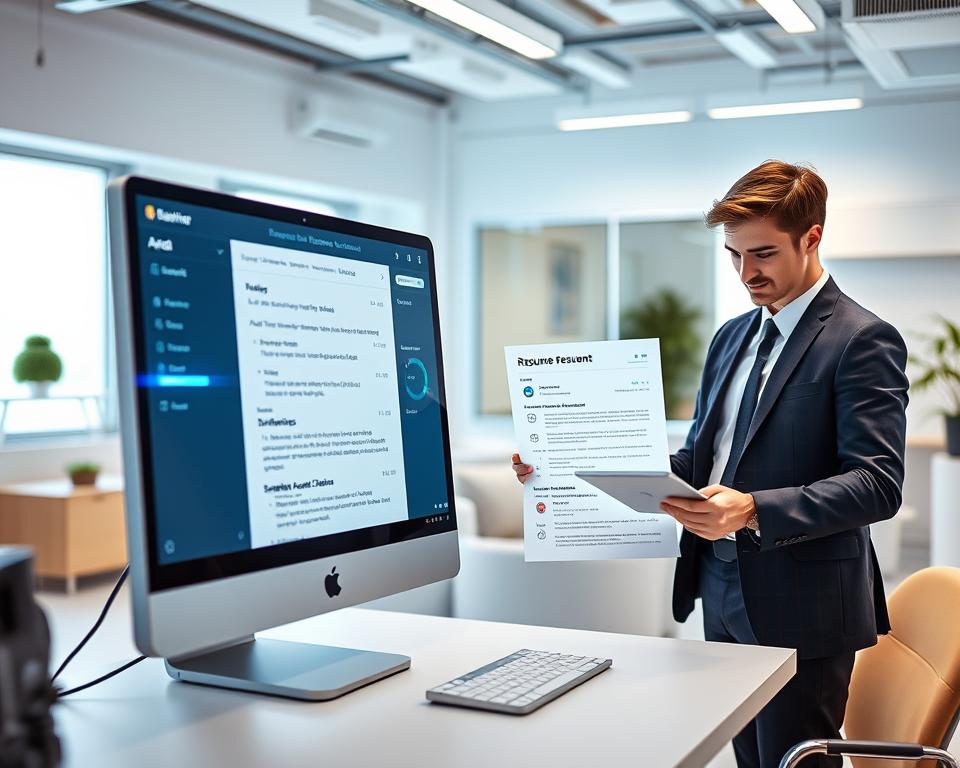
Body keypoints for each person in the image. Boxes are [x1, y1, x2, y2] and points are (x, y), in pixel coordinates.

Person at [512, 160, 909, 767]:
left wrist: (753, 509)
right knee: (745, 757)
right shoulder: (731, 338)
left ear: (813, 237)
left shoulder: (862, 339)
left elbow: (877, 484)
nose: (747, 273)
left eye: (764, 254)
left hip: (802, 599)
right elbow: (701, 457)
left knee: (793, 760)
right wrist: (562, 465)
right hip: (718, 585)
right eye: (734, 256)